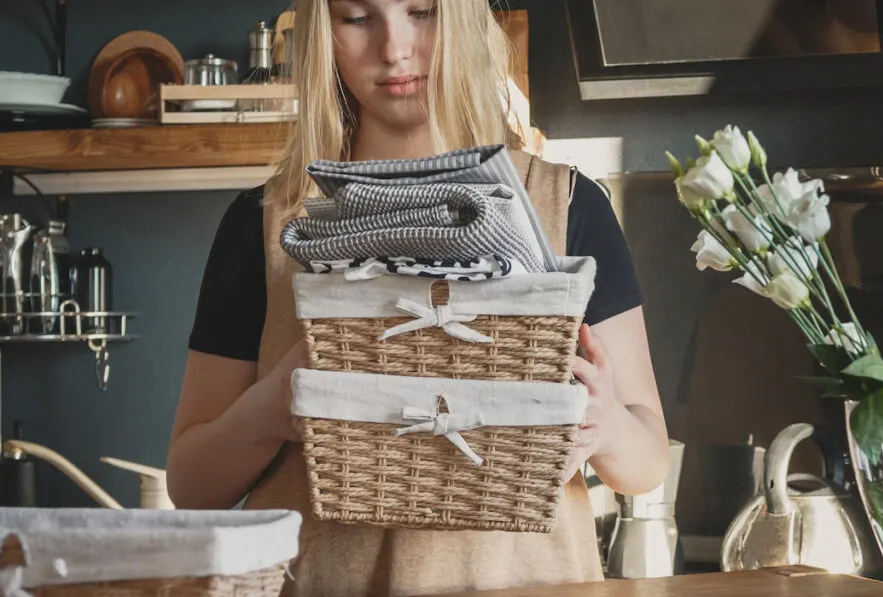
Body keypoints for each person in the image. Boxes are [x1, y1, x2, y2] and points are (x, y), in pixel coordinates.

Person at [166, 0, 669, 595]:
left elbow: (648, 461)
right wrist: (272, 407)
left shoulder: (568, 206)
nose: (394, 48)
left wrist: (605, 424)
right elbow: (192, 483)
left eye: (422, 11)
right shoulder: (264, 225)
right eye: (357, 18)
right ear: (321, 33)